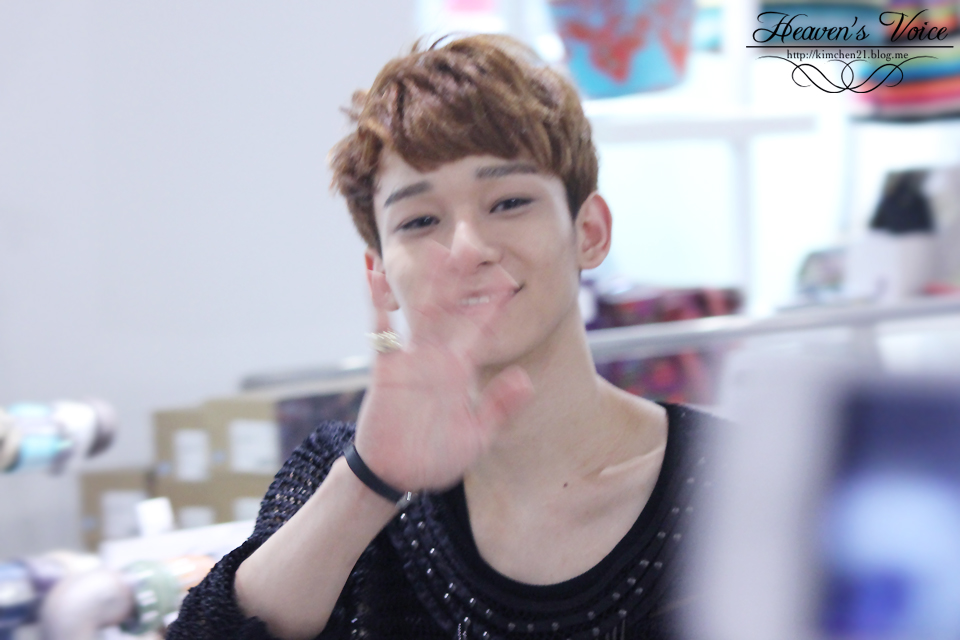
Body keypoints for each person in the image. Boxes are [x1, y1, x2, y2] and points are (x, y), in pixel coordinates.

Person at [168, 34, 717, 640]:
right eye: (421, 220)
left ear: (588, 231)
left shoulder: (735, 479)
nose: (468, 249)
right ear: (381, 274)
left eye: (509, 202)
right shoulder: (342, 475)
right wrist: (367, 487)